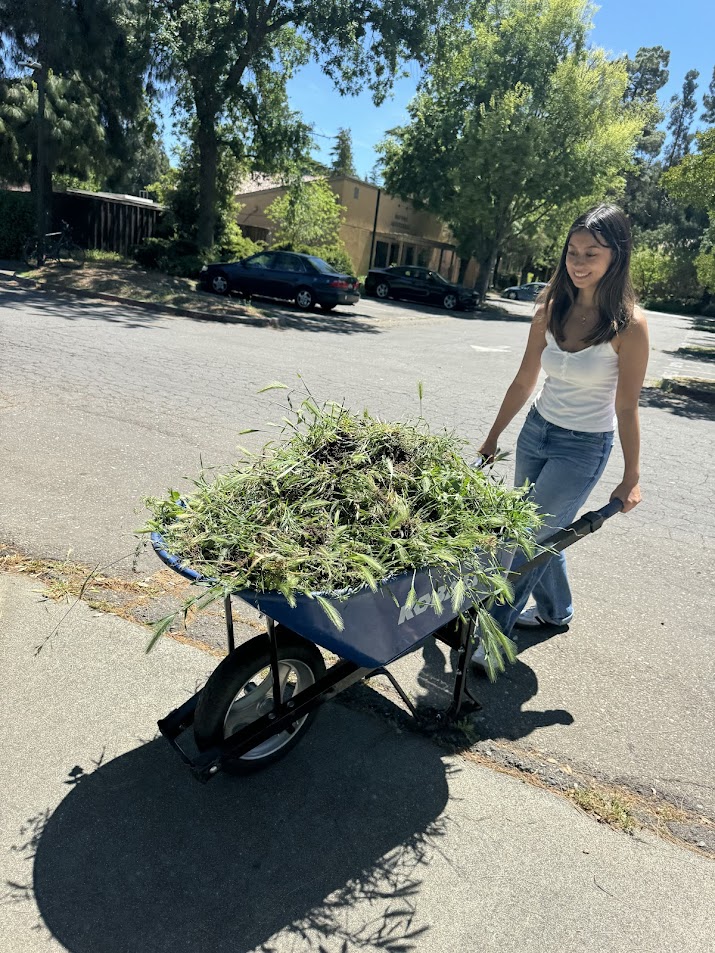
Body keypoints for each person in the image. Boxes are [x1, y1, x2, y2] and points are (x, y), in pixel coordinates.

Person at [472, 203, 649, 673]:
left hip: (583, 447)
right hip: (536, 433)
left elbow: (627, 406)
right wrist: (493, 437)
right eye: (573, 251)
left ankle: (493, 637)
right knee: (541, 533)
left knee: (524, 540)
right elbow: (525, 377)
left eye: (592, 252)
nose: (579, 261)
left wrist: (631, 476)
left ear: (617, 256)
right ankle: (557, 611)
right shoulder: (551, 305)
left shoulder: (630, 325)